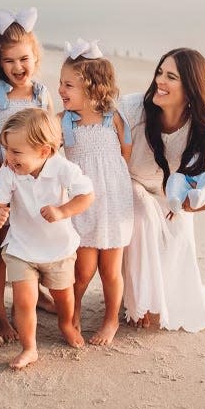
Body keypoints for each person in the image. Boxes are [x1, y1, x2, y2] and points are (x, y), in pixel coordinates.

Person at [119, 48, 205, 331]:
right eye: (159, 72)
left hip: (172, 196)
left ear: (191, 89)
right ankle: (139, 302)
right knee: (142, 215)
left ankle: (160, 297)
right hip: (131, 186)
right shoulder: (131, 109)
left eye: (171, 76)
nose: (160, 81)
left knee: (179, 226)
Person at [0, 108, 94, 369]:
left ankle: (66, 324)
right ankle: (29, 347)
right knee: (24, 300)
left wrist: (62, 211)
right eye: (7, 150)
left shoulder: (62, 168)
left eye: (16, 152)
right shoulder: (9, 171)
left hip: (58, 249)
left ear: (44, 151)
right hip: (21, 247)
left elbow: (87, 195)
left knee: (63, 297)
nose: (9, 158)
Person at [0, 7, 55, 343]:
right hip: (5, 182)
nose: (18, 68)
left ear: (35, 57)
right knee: (0, 249)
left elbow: (51, 139)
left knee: (36, 239)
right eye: (9, 61)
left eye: (24, 59)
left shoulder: (41, 94)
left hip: (37, 186)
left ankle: (35, 293)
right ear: (0, 62)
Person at [58, 38, 133, 346]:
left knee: (111, 271)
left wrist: (109, 181)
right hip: (83, 204)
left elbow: (124, 154)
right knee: (82, 270)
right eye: (60, 84)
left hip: (114, 203)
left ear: (93, 88)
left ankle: (111, 320)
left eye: (68, 85)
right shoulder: (64, 122)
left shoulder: (113, 118)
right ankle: (71, 317)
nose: (61, 90)